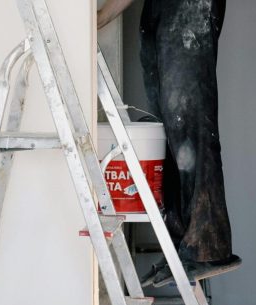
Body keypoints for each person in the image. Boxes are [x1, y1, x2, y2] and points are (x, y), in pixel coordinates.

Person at [97, 0, 240, 287]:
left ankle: (208, 246)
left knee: (189, 123)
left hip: (188, 8)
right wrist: (99, 17)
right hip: (162, 9)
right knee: (172, 129)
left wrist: (100, 17)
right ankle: (182, 244)